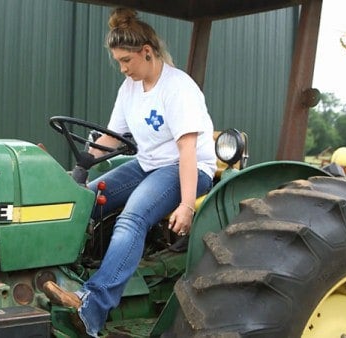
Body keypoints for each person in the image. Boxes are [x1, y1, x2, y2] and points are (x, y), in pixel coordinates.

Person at [43, 7, 217, 337]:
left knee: (132, 218)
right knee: (86, 200)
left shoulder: (178, 88)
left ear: (147, 53)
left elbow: (188, 150)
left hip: (185, 168)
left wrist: (187, 205)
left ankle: (91, 308)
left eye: (126, 61)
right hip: (147, 163)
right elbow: (112, 136)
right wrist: (82, 166)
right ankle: (61, 276)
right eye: (119, 62)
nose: (123, 69)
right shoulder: (130, 88)